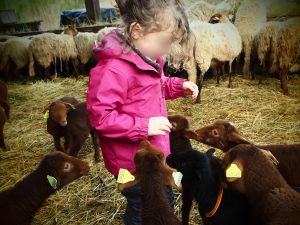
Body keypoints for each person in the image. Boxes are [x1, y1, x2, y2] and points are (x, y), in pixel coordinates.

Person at [86, 0, 198, 224]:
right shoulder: (113, 69)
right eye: (164, 42)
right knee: (142, 206)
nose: (166, 49)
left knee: (162, 201)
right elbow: (101, 116)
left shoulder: (149, 58)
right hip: (132, 163)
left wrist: (177, 86)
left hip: (154, 156)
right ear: (136, 31)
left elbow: (157, 85)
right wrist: (143, 126)